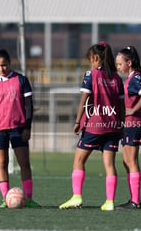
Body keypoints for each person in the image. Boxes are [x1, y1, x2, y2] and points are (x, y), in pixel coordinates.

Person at [59, 42, 124, 211]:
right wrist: (121, 125)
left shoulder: (91, 75)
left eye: (91, 59)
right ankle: (109, 202)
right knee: (109, 165)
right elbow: (122, 105)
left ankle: (76, 197)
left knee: (79, 160)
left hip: (94, 125)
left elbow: (84, 99)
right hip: (113, 126)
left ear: (96, 58)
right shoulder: (117, 78)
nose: (90, 63)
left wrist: (77, 121)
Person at [0, 49, 41, 208]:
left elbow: (29, 105)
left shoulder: (21, 80)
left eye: (4, 65)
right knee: (2, 163)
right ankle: (5, 199)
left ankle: (28, 198)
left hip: (18, 128)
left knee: (24, 162)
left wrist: (27, 127)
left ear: (10, 63)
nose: (2, 69)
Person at [115, 46, 141, 209]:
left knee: (131, 160)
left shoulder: (135, 77)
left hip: (135, 123)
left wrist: (133, 110)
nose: (118, 67)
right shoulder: (131, 78)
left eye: (119, 64)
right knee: (126, 161)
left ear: (129, 62)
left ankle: (136, 201)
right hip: (129, 124)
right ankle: (133, 199)